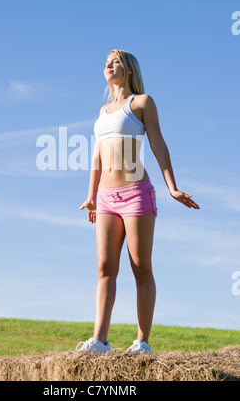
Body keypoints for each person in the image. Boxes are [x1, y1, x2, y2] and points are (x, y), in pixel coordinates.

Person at [78, 49, 200, 355]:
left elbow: (158, 142)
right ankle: (100, 341)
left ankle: (142, 342)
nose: (108, 64)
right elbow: (96, 157)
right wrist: (91, 196)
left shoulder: (142, 103)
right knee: (104, 268)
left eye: (115, 60)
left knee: (141, 268)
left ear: (129, 69)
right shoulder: (103, 110)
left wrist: (172, 186)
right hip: (106, 198)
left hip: (135, 194)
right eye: (106, 61)